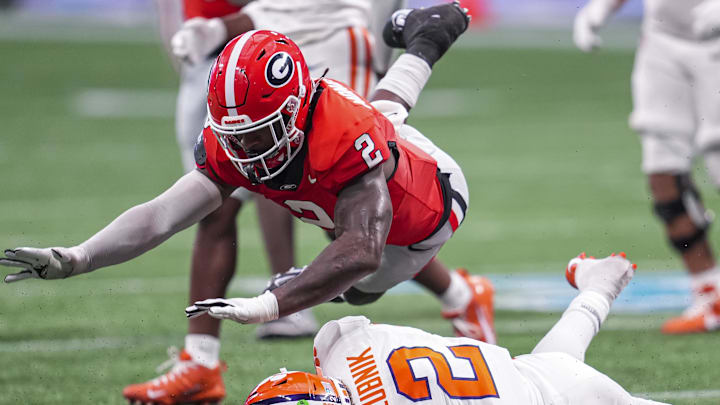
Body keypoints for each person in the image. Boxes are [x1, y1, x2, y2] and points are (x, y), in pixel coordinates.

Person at [0, 3, 492, 404]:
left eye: (261, 134)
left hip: (429, 212)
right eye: (239, 137)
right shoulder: (240, 139)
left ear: (296, 109)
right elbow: (161, 215)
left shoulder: (344, 135)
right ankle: (430, 33)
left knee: (360, 282)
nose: (248, 151)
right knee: (379, 121)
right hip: (359, 150)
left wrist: (271, 302)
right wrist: (79, 257)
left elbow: (363, 247)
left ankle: (431, 36)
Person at [244, 252, 669, 405]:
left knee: (557, 372)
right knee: (553, 365)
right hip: (521, 375)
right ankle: (599, 286)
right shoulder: (345, 345)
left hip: (556, 398)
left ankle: (599, 288)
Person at [573, 0, 720, 334]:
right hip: (662, 39)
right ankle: (709, 292)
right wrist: (600, 9)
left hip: (715, 42)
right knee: (663, 175)